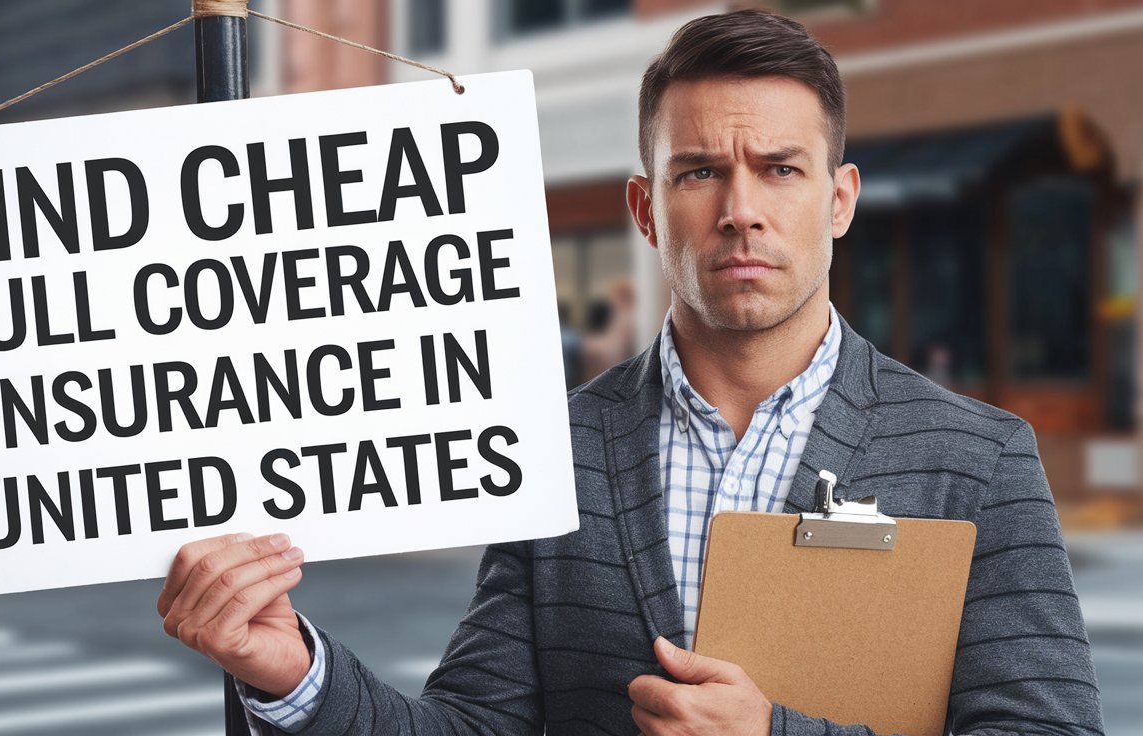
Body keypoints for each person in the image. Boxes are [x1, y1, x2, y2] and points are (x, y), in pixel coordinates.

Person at [157, 10, 1104, 735]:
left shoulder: (980, 459)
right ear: (646, 209)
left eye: (779, 169)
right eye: (698, 173)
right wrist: (294, 672)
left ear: (840, 199)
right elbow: (476, 727)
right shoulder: (554, 449)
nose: (741, 211)